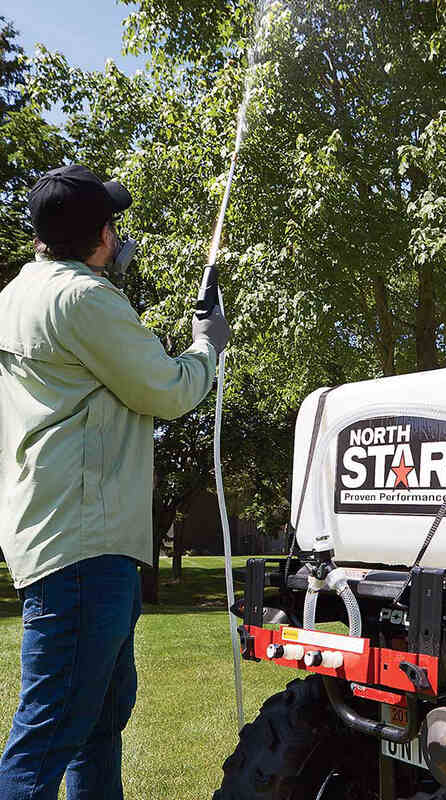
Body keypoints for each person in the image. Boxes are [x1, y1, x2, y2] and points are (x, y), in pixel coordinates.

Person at [0, 164, 230, 799]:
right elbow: (166, 388)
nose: (120, 236)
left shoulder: (20, 292)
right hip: (84, 547)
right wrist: (207, 346)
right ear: (96, 233)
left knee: (97, 725)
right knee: (48, 737)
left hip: (68, 539)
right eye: (112, 225)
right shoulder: (84, 298)